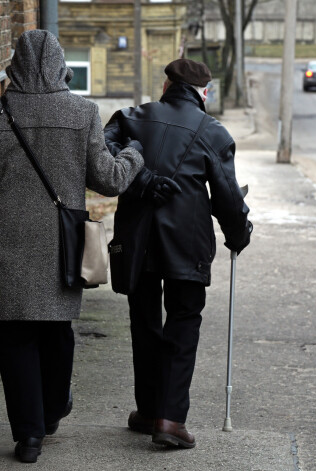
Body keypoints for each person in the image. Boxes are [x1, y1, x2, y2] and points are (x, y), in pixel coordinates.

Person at [0, 30, 143, 463]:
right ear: (62, 67)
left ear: (15, 66)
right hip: (60, 245)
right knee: (57, 333)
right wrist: (134, 155)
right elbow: (108, 179)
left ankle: (29, 436)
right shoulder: (83, 112)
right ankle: (53, 410)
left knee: (15, 339)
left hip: (2, 245)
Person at [104, 58, 252, 448]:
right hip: (186, 243)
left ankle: (150, 410)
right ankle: (169, 420)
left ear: (167, 86)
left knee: (145, 322)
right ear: (203, 93)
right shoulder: (213, 132)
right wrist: (239, 233)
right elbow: (227, 197)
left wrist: (141, 181)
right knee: (183, 324)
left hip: (138, 239)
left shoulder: (131, 117)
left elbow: (102, 152)